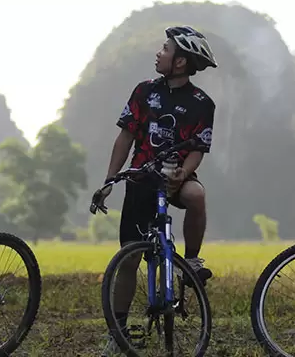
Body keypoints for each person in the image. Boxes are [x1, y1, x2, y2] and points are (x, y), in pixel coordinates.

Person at [93, 26, 218, 353]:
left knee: (197, 195)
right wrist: (109, 179)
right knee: (129, 259)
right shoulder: (143, 91)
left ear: (180, 62)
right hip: (141, 178)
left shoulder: (203, 104)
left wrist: (183, 174)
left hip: (175, 176)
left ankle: (190, 261)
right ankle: (117, 330)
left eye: (165, 49)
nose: (158, 53)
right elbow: (125, 138)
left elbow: (198, 149)